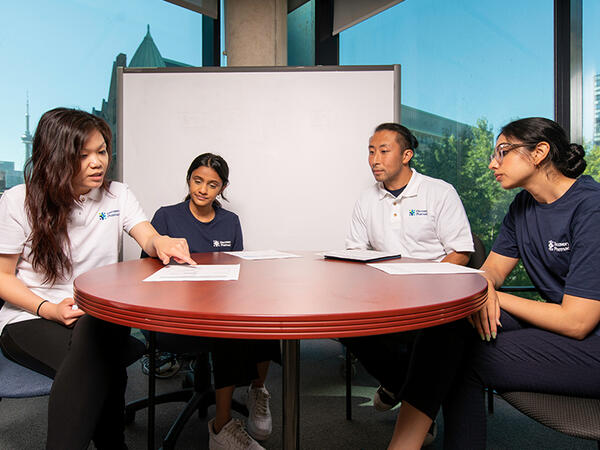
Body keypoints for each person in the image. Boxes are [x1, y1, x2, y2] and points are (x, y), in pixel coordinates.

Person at [387, 117, 600, 450]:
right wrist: (485, 283)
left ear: (540, 152)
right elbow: (491, 271)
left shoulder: (592, 208)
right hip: (563, 328)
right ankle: (403, 446)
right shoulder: (523, 207)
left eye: (503, 152)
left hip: (590, 340)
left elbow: (577, 321)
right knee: (449, 326)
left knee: (461, 359)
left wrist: (488, 292)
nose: (492, 163)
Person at [0, 107, 195, 450]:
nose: (97, 162)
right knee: (102, 362)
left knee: (96, 332)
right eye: (83, 154)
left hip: (96, 316)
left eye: (102, 151)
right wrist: (48, 309)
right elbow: (3, 278)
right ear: (55, 156)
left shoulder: (117, 194)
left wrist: (161, 242)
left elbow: (146, 235)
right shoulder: (18, 201)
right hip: (29, 316)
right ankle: (112, 444)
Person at [341, 122, 474, 440]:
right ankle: (406, 388)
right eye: (371, 151)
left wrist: (425, 286)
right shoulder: (366, 200)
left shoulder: (438, 192)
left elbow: (461, 253)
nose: (374, 159)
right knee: (347, 328)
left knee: (435, 340)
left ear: (407, 155)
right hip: (384, 296)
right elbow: (355, 253)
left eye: (384, 151)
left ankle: (412, 403)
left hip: (433, 297)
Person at [144, 153, 280, 450]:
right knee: (226, 332)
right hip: (175, 314)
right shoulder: (166, 216)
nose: (203, 189)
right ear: (188, 179)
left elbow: (238, 270)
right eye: (197, 180)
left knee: (265, 318)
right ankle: (222, 427)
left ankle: (258, 390)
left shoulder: (230, 221)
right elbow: (145, 272)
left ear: (222, 188)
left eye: (212, 184)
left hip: (218, 306)